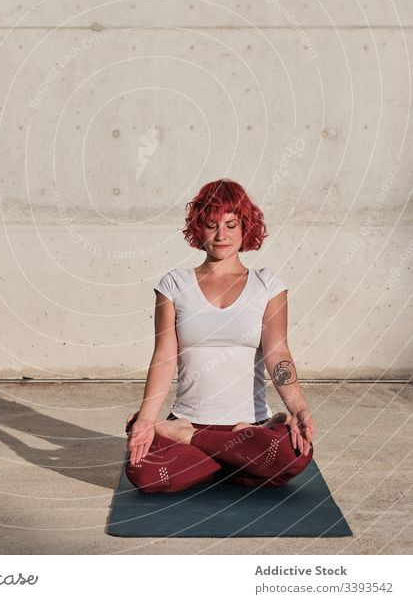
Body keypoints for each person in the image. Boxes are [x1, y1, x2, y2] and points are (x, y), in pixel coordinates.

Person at [125, 178, 315, 493]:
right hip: (187, 418)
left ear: (245, 228)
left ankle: (196, 445)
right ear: (200, 229)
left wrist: (297, 408)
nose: (221, 235)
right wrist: (147, 420)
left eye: (230, 224)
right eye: (212, 225)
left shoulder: (267, 284)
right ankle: (234, 457)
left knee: (295, 455)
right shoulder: (174, 284)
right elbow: (164, 356)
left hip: (249, 427)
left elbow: (278, 353)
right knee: (144, 475)